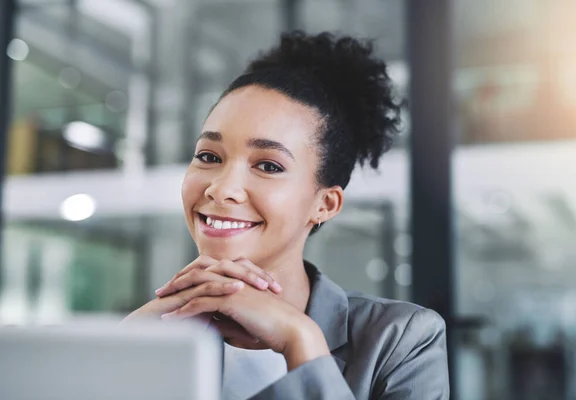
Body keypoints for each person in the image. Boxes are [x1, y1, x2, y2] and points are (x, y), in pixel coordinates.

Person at [126, 31, 449, 399]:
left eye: (268, 165)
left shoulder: (399, 339)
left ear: (324, 204)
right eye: (209, 156)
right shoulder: (150, 333)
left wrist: (304, 343)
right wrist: (114, 357)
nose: (221, 188)